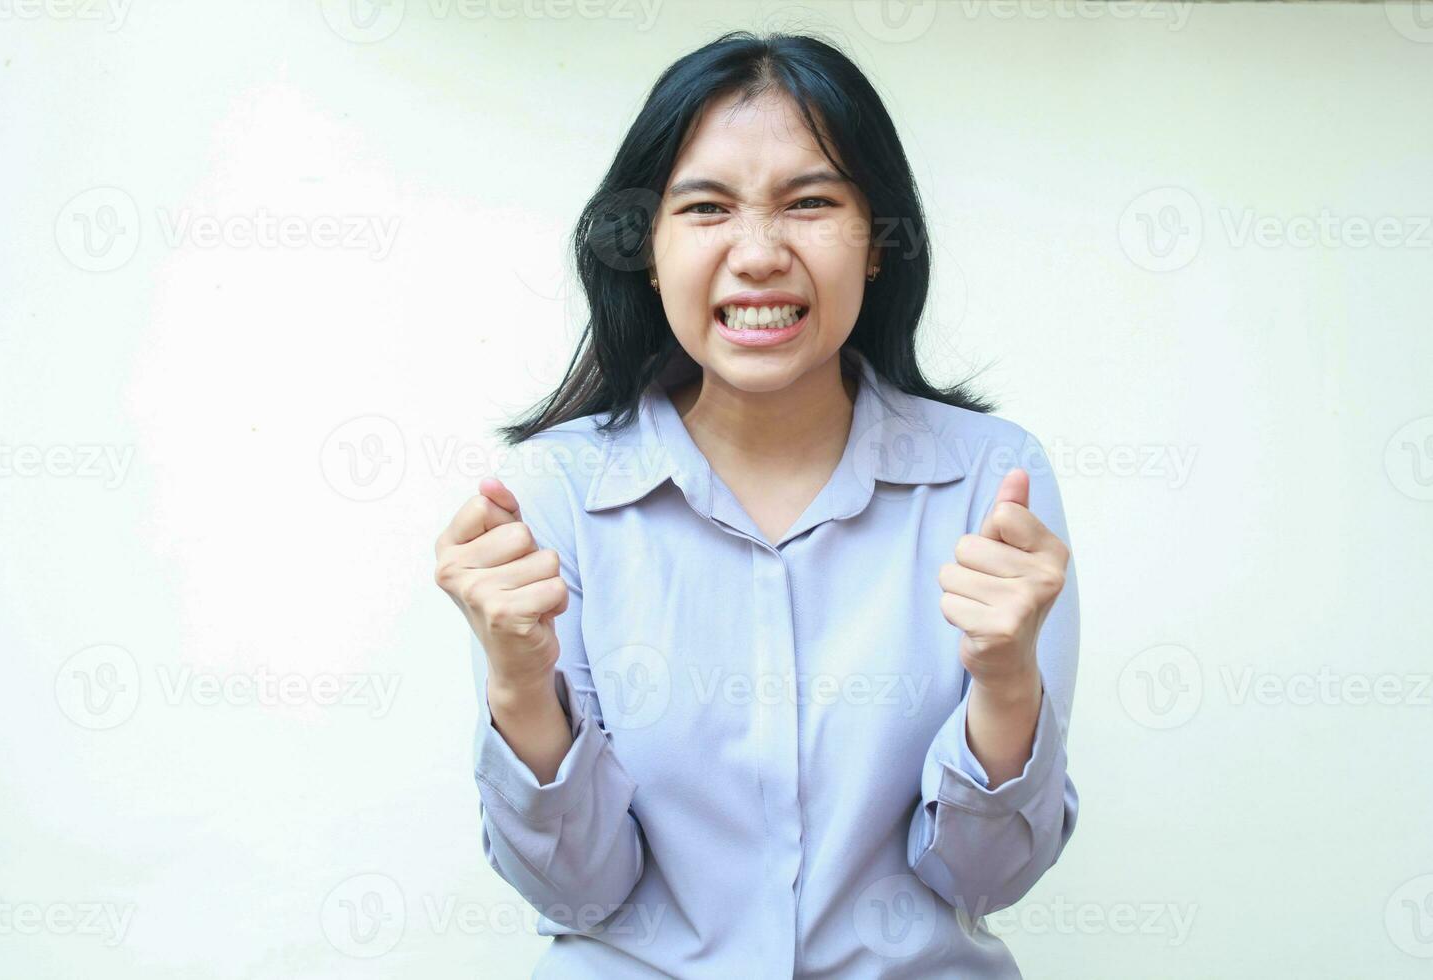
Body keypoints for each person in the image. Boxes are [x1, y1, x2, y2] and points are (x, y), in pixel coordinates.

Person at [434, 29, 1080, 979]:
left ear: (876, 244)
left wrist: (1007, 680)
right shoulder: (551, 496)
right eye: (706, 208)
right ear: (648, 252)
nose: (760, 253)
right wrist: (523, 687)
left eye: (811, 203)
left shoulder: (993, 481)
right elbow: (580, 890)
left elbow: (984, 880)